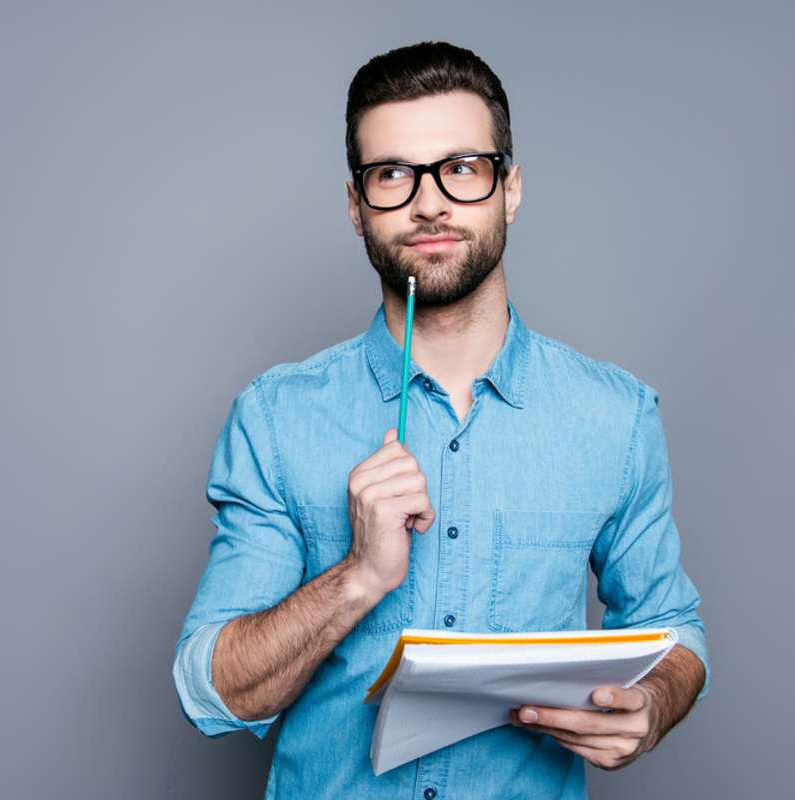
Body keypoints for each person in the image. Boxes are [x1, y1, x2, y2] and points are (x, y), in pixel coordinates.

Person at [173, 40, 709, 799]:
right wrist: (358, 579)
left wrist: (653, 705)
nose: (429, 203)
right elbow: (211, 693)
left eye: (461, 168)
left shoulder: (614, 417)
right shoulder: (275, 417)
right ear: (356, 208)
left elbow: (673, 627)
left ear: (510, 189)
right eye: (392, 174)